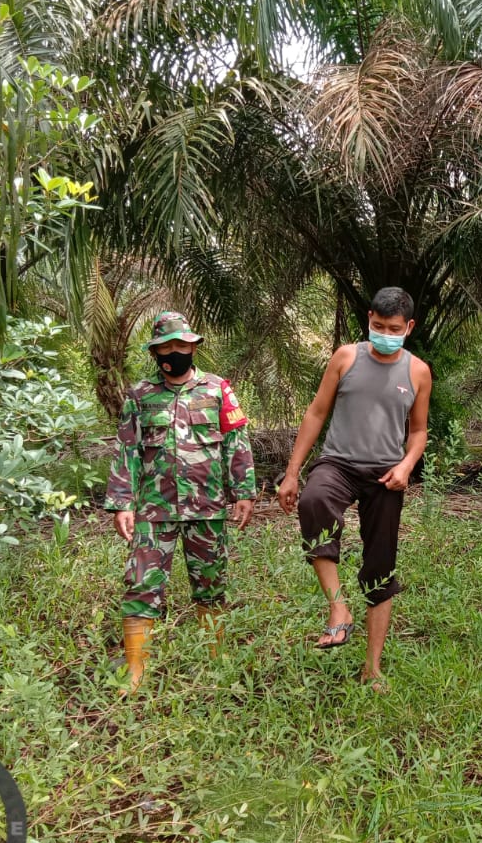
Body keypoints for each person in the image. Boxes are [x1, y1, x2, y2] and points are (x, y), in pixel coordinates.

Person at [276, 287, 432, 692]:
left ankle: (372, 668)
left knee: (380, 567)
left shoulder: (418, 371)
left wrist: (406, 465)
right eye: (377, 326)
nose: (383, 333)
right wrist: (292, 472)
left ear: (409, 327)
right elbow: (316, 412)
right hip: (339, 463)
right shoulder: (346, 357)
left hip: (386, 473)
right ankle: (338, 607)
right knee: (314, 499)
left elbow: (418, 431)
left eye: (393, 328)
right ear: (368, 318)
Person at [103, 311, 256, 693]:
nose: (176, 352)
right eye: (168, 346)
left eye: (182, 345)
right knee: (141, 584)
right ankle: (136, 671)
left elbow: (237, 444)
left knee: (211, 585)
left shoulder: (218, 389)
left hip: (207, 508)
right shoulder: (139, 395)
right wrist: (122, 502)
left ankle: (214, 660)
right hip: (154, 512)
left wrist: (244, 493)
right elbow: (128, 450)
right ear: (156, 351)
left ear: (193, 346)